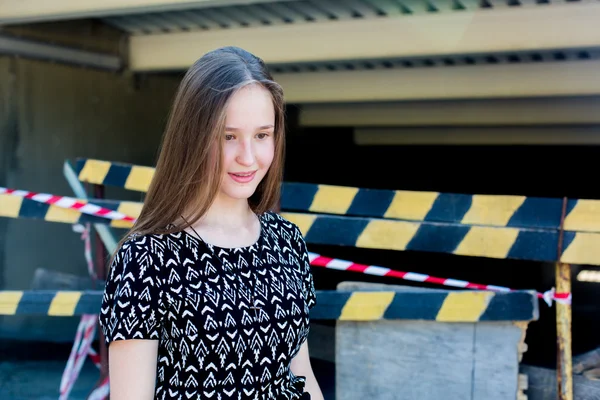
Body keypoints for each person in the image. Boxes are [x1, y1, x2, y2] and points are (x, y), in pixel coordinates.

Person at [98, 46, 324, 400]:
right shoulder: (146, 259)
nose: (248, 157)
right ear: (193, 137)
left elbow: (302, 374)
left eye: (262, 135)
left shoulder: (287, 241)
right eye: (228, 136)